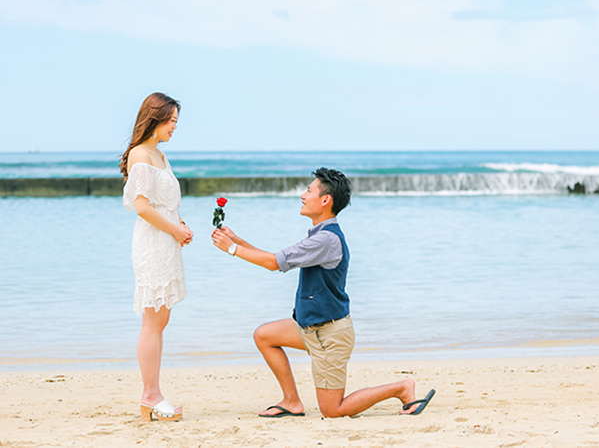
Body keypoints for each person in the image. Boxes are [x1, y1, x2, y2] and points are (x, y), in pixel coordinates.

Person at [211, 167, 435, 418]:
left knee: (332, 410)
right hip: (310, 328)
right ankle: (291, 401)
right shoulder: (320, 236)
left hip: (330, 335)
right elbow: (276, 259)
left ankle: (401, 388)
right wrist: (237, 240)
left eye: (308, 190)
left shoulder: (325, 240)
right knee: (265, 336)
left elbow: (274, 263)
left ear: (325, 200)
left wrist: (231, 249)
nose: (302, 196)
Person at [120, 92, 193, 422]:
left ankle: (153, 392)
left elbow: (165, 203)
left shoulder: (160, 156)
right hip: (153, 242)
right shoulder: (141, 155)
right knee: (152, 320)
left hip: (167, 240)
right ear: (156, 118)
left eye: (177, 121)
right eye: (171, 120)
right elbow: (142, 206)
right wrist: (174, 230)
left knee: (161, 319)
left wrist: (180, 225)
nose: (175, 126)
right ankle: (150, 394)